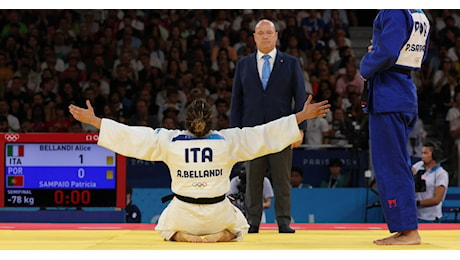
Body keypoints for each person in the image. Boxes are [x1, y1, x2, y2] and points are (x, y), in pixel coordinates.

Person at [69, 96, 330, 243]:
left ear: (186, 121)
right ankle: (219, 236)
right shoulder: (228, 141)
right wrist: (300, 117)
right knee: (240, 227)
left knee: (164, 227)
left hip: (183, 213)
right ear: (212, 121)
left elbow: (132, 137)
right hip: (218, 212)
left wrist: (94, 121)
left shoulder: (169, 141)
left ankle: (185, 237)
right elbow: (263, 134)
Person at [360, 9, 430, 245]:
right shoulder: (419, 14)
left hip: (388, 95)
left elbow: (388, 52)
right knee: (397, 163)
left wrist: (367, 62)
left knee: (390, 165)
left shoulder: (394, 10)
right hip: (404, 92)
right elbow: (417, 55)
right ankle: (404, 228)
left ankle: (409, 230)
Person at [230, 18, 307, 234]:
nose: (265, 36)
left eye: (269, 32)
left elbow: (300, 98)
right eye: (260, 32)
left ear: (276, 36)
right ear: (254, 37)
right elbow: (236, 101)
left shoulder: (291, 63)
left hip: (281, 130)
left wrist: (300, 128)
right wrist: (235, 132)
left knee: (282, 178)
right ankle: (253, 222)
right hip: (252, 132)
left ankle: (284, 221)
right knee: (253, 178)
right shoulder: (243, 64)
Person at [412, 142, 449, 223]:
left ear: (434, 155)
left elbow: (436, 200)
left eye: (425, 153)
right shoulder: (418, 165)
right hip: (415, 215)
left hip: (430, 217)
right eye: (422, 153)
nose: (422, 156)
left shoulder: (441, 174)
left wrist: (416, 203)